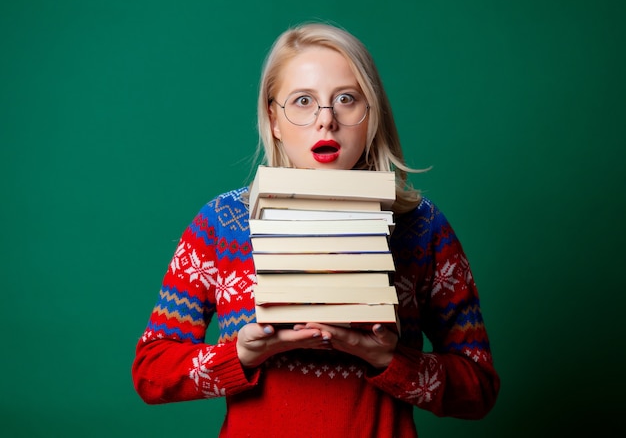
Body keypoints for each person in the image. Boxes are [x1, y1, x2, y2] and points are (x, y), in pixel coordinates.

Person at [132, 22, 500, 437]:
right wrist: (240, 356)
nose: (326, 121)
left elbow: (479, 387)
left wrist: (390, 361)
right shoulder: (221, 223)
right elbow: (151, 372)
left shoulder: (422, 225)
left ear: (371, 115)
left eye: (347, 99)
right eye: (303, 101)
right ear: (273, 119)